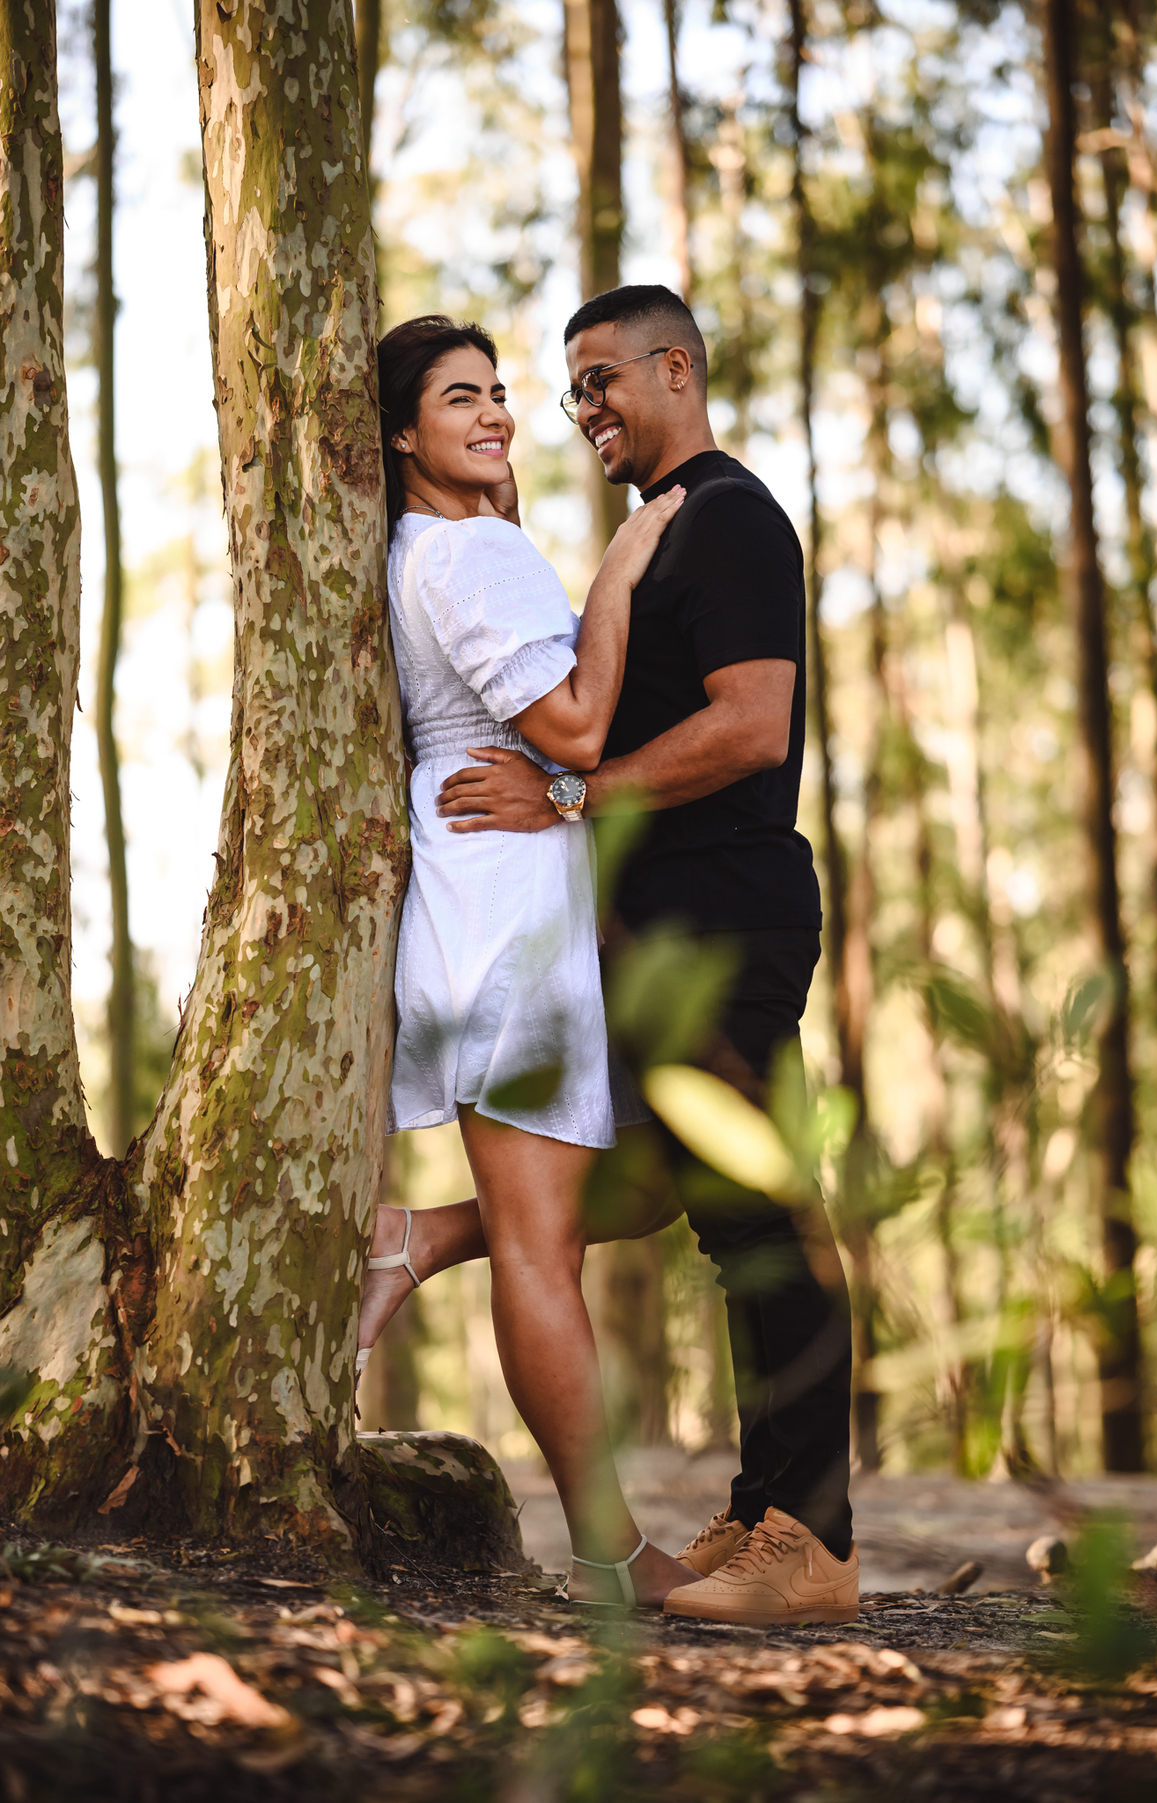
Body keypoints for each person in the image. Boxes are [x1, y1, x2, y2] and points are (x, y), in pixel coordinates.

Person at [434, 285, 858, 1630]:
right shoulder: (654, 531)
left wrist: (571, 799)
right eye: (575, 391)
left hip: (729, 915)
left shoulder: (724, 517)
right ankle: (761, 1510)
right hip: (665, 929)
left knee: (763, 1224)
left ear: (679, 367)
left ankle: (815, 1545)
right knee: (703, 1205)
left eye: (604, 378)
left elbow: (748, 727)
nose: (585, 410)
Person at [357, 313, 698, 1610]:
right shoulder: (474, 550)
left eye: (499, 394)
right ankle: (610, 1557)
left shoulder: (420, 547)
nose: (496, 414)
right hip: (499, 903)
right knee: (546, 1245)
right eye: (460, 399)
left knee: (633, 1188)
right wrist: (614, 568)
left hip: (490, 896)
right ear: (402, 433)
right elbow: (576, 722)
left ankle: (419, 1238)